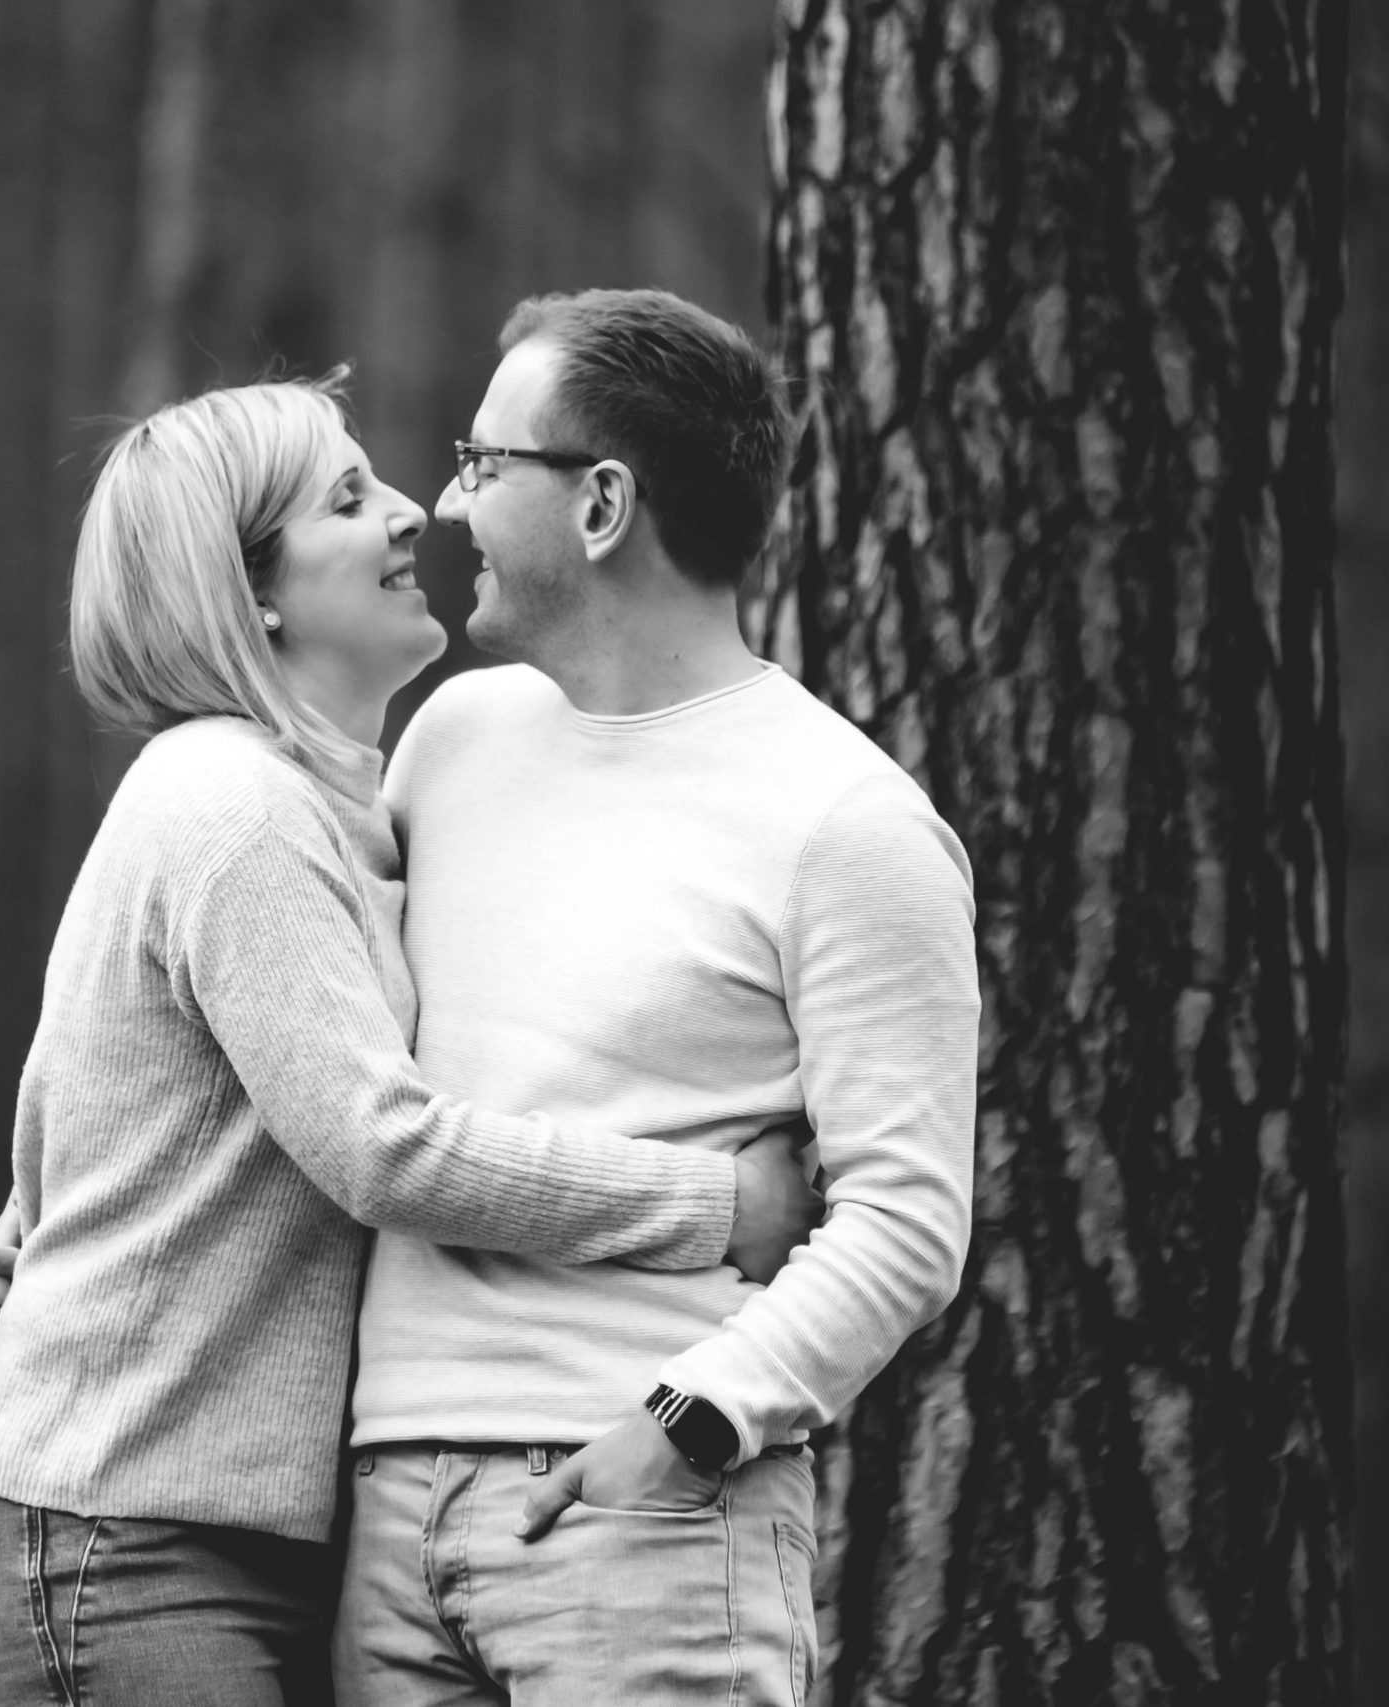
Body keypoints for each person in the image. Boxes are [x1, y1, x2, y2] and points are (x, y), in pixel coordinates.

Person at [0, 373, 824, 1707]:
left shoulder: (343, 806)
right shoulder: (233, 805)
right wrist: (722, 1204)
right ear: (253, 594)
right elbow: (378, 1147)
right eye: (346, 499)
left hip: (224, 1527)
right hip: (123, 1529)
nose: (411, 511)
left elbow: (116, 1072)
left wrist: (45, 1233)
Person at [331, 288, 978, 1705]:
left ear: (602, 504)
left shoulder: (847, 822)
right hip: (380, 1520)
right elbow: (328, 1067)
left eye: (485, 462)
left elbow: (908, 1223)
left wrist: (686, 1427)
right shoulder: (448, 740)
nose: (447, 503)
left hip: (649, 1531)